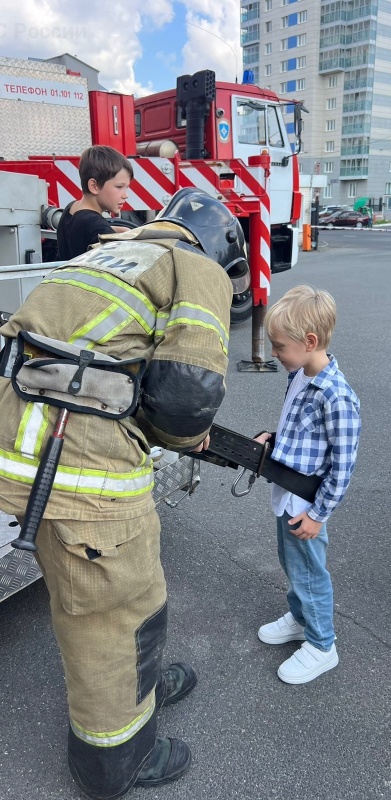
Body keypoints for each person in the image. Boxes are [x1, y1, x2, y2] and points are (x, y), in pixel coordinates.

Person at [0, 188, 248, 798]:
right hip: (79, 466)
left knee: (136, 586)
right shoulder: (196, 269)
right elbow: (187, 400)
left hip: (27, 438)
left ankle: (146, 681)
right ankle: (114, 759)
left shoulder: (113, 252)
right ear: (217, 242)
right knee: (105, 614)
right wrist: (180, 436)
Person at [255, 285, 361, 685]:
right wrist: (273, 438)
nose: (274, 353)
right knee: (292, 563)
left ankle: (322, 645)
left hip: (306, 505)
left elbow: (342, 467)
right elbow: (299, 431)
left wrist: (318, 515)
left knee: (310, 573)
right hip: (287, 495)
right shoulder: (300, 374)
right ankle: (301, 620)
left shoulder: (337, 396)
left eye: (279, 346)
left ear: (309, 342)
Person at [56, 145, 134, 260]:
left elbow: (82, 232)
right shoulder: (95, 223)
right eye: (119, 187)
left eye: (126, 187)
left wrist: (118, 230)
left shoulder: (71, 208)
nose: (125, 195)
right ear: (94, 186)